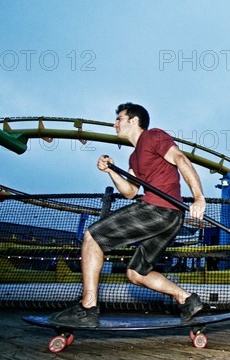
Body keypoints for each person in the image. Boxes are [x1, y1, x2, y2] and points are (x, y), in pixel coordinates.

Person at [50, 102, 207, 327]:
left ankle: (87, 307)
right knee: (136, 273)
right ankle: (187, 299)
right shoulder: (134, 157)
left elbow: (181, 160)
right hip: (170, 218)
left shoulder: (154, 136)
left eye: (119, 119)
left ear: (133, 121)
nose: (115, 124)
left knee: (92, 237)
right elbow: (130, 192)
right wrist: (111, 171)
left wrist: (199, 197)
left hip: (157, 209)